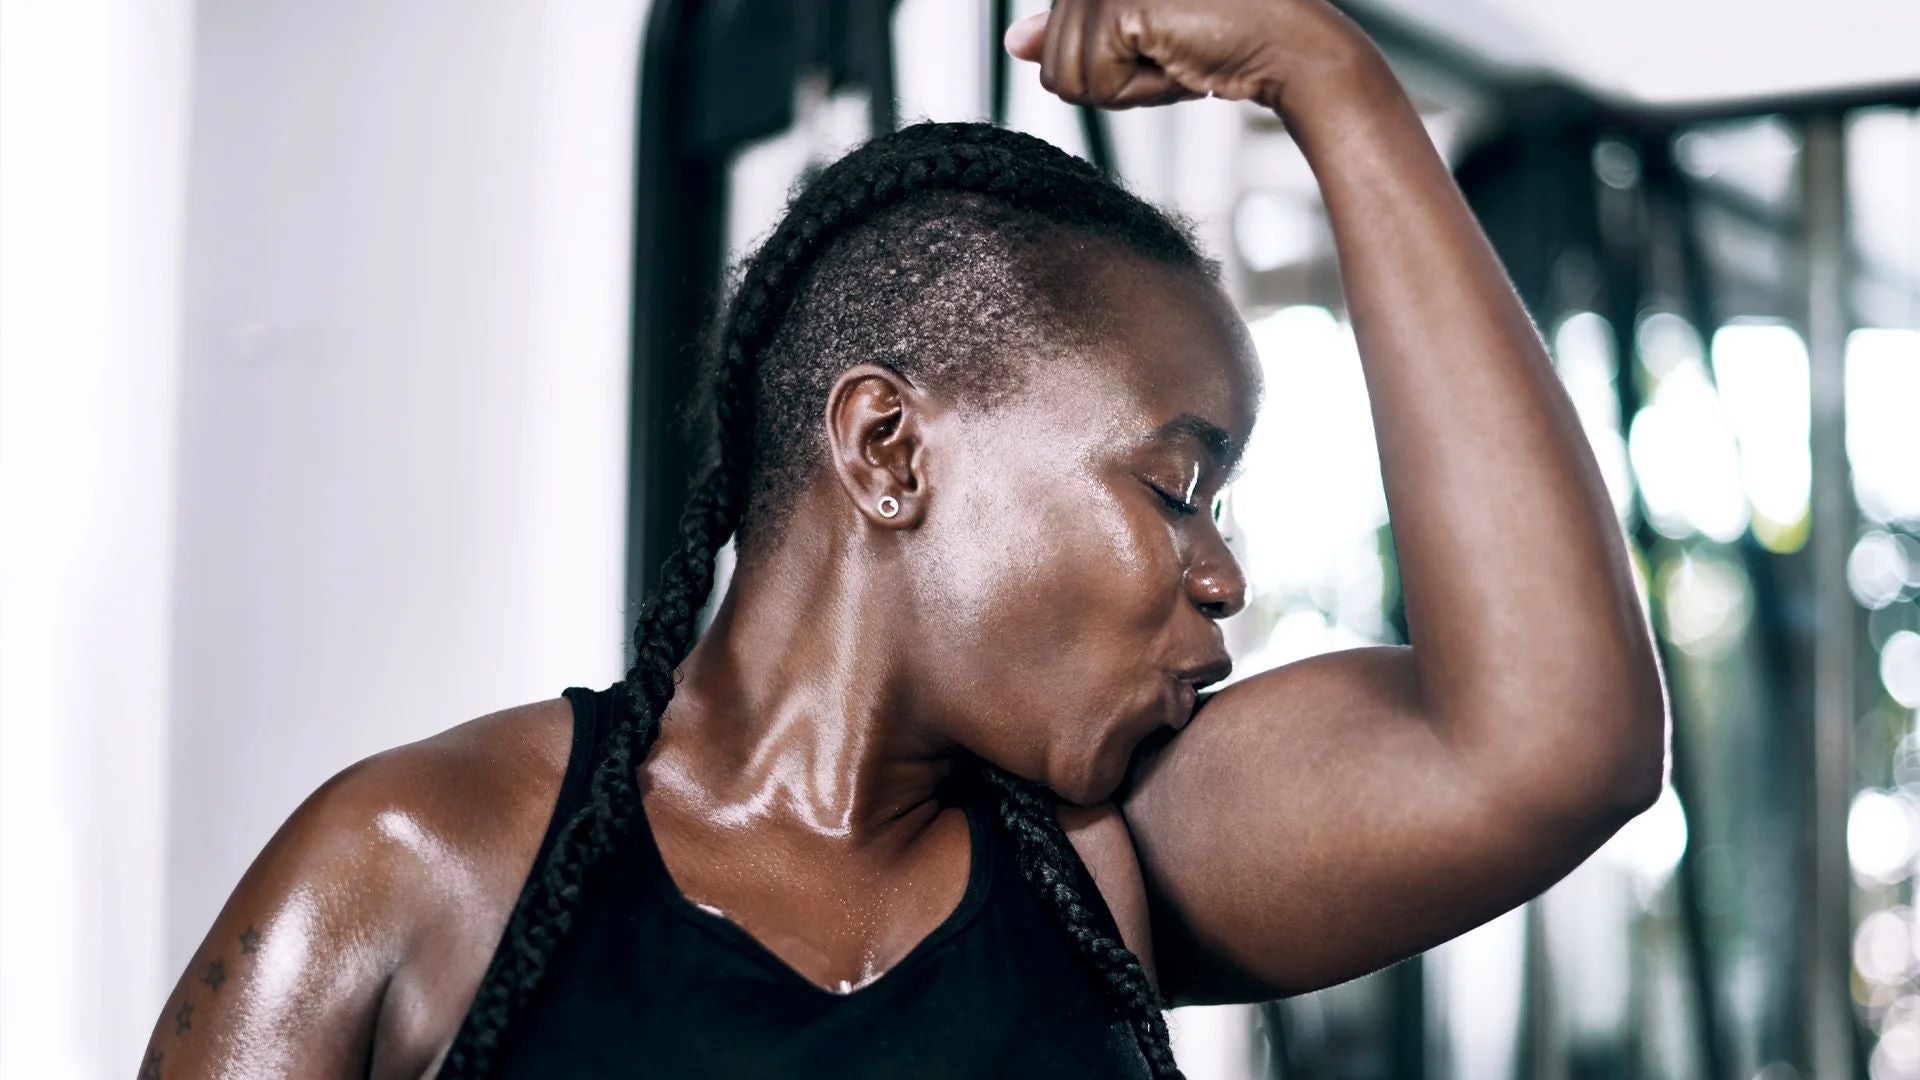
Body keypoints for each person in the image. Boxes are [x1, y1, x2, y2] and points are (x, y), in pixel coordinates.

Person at [137, 1, 1668, 1076]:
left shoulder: (1104, 858)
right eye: (1175, 487)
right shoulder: (424, 869)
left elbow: (1558, 740)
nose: (1224, 575)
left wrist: (1328, 75)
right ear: (886, 448)